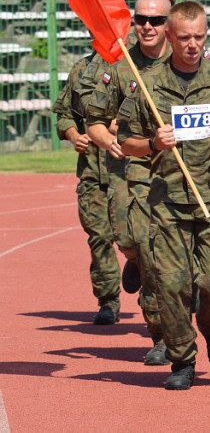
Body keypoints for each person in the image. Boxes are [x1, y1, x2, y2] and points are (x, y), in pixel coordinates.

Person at [123, 1, 210, 390]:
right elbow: (124, 140)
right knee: (171, 285)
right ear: (170, 36)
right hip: (167, 201)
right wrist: (152, 142)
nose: (193, 45)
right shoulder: (148, 84)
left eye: (199, 37)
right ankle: (182, 359)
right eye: (184, 38)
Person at [86, 0, 173, 365]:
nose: (147, 27)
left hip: (175, 169)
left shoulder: (187, 62)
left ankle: (164, 336)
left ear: (170, 24)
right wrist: (109, 140)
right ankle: (133, 260)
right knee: (130, 240)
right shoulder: (119, 65)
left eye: (155, 21)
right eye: (141, 20)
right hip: (130, 167)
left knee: (164, 255)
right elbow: (94, 121)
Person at [52, 52, 118, 325]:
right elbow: (64, 115)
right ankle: (108, 300)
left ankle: (150, 292)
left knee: (137, 239)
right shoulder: (82, 69)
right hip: (92, 171)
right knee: (99, 236)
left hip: (132, 169)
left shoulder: (137, 64)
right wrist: (73, 135)